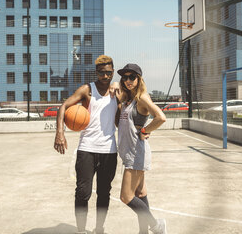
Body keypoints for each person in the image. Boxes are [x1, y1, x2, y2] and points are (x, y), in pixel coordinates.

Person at [54, 55, 118, 234]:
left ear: (112, 72)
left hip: (109, 150)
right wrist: (60, 132)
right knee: (83, 193)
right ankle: (81, 230)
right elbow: (63, 107)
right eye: (101, 73)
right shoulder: (87, 90)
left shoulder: (117, 91)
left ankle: (99, 229)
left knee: (104, 193)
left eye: (108, 73)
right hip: (87, 149)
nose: (105, 76)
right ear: (96, 72)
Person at [115, 63, 167, 234]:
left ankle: (156, 226)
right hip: (129, 152)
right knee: (140, 193)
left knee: (126, 197)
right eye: (125, 77)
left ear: (139, 79)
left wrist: (145, 130)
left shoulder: (142, 97)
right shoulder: (127, 98)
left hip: (136, 153)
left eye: (132, 77)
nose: (127, 80)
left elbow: (161, 117)